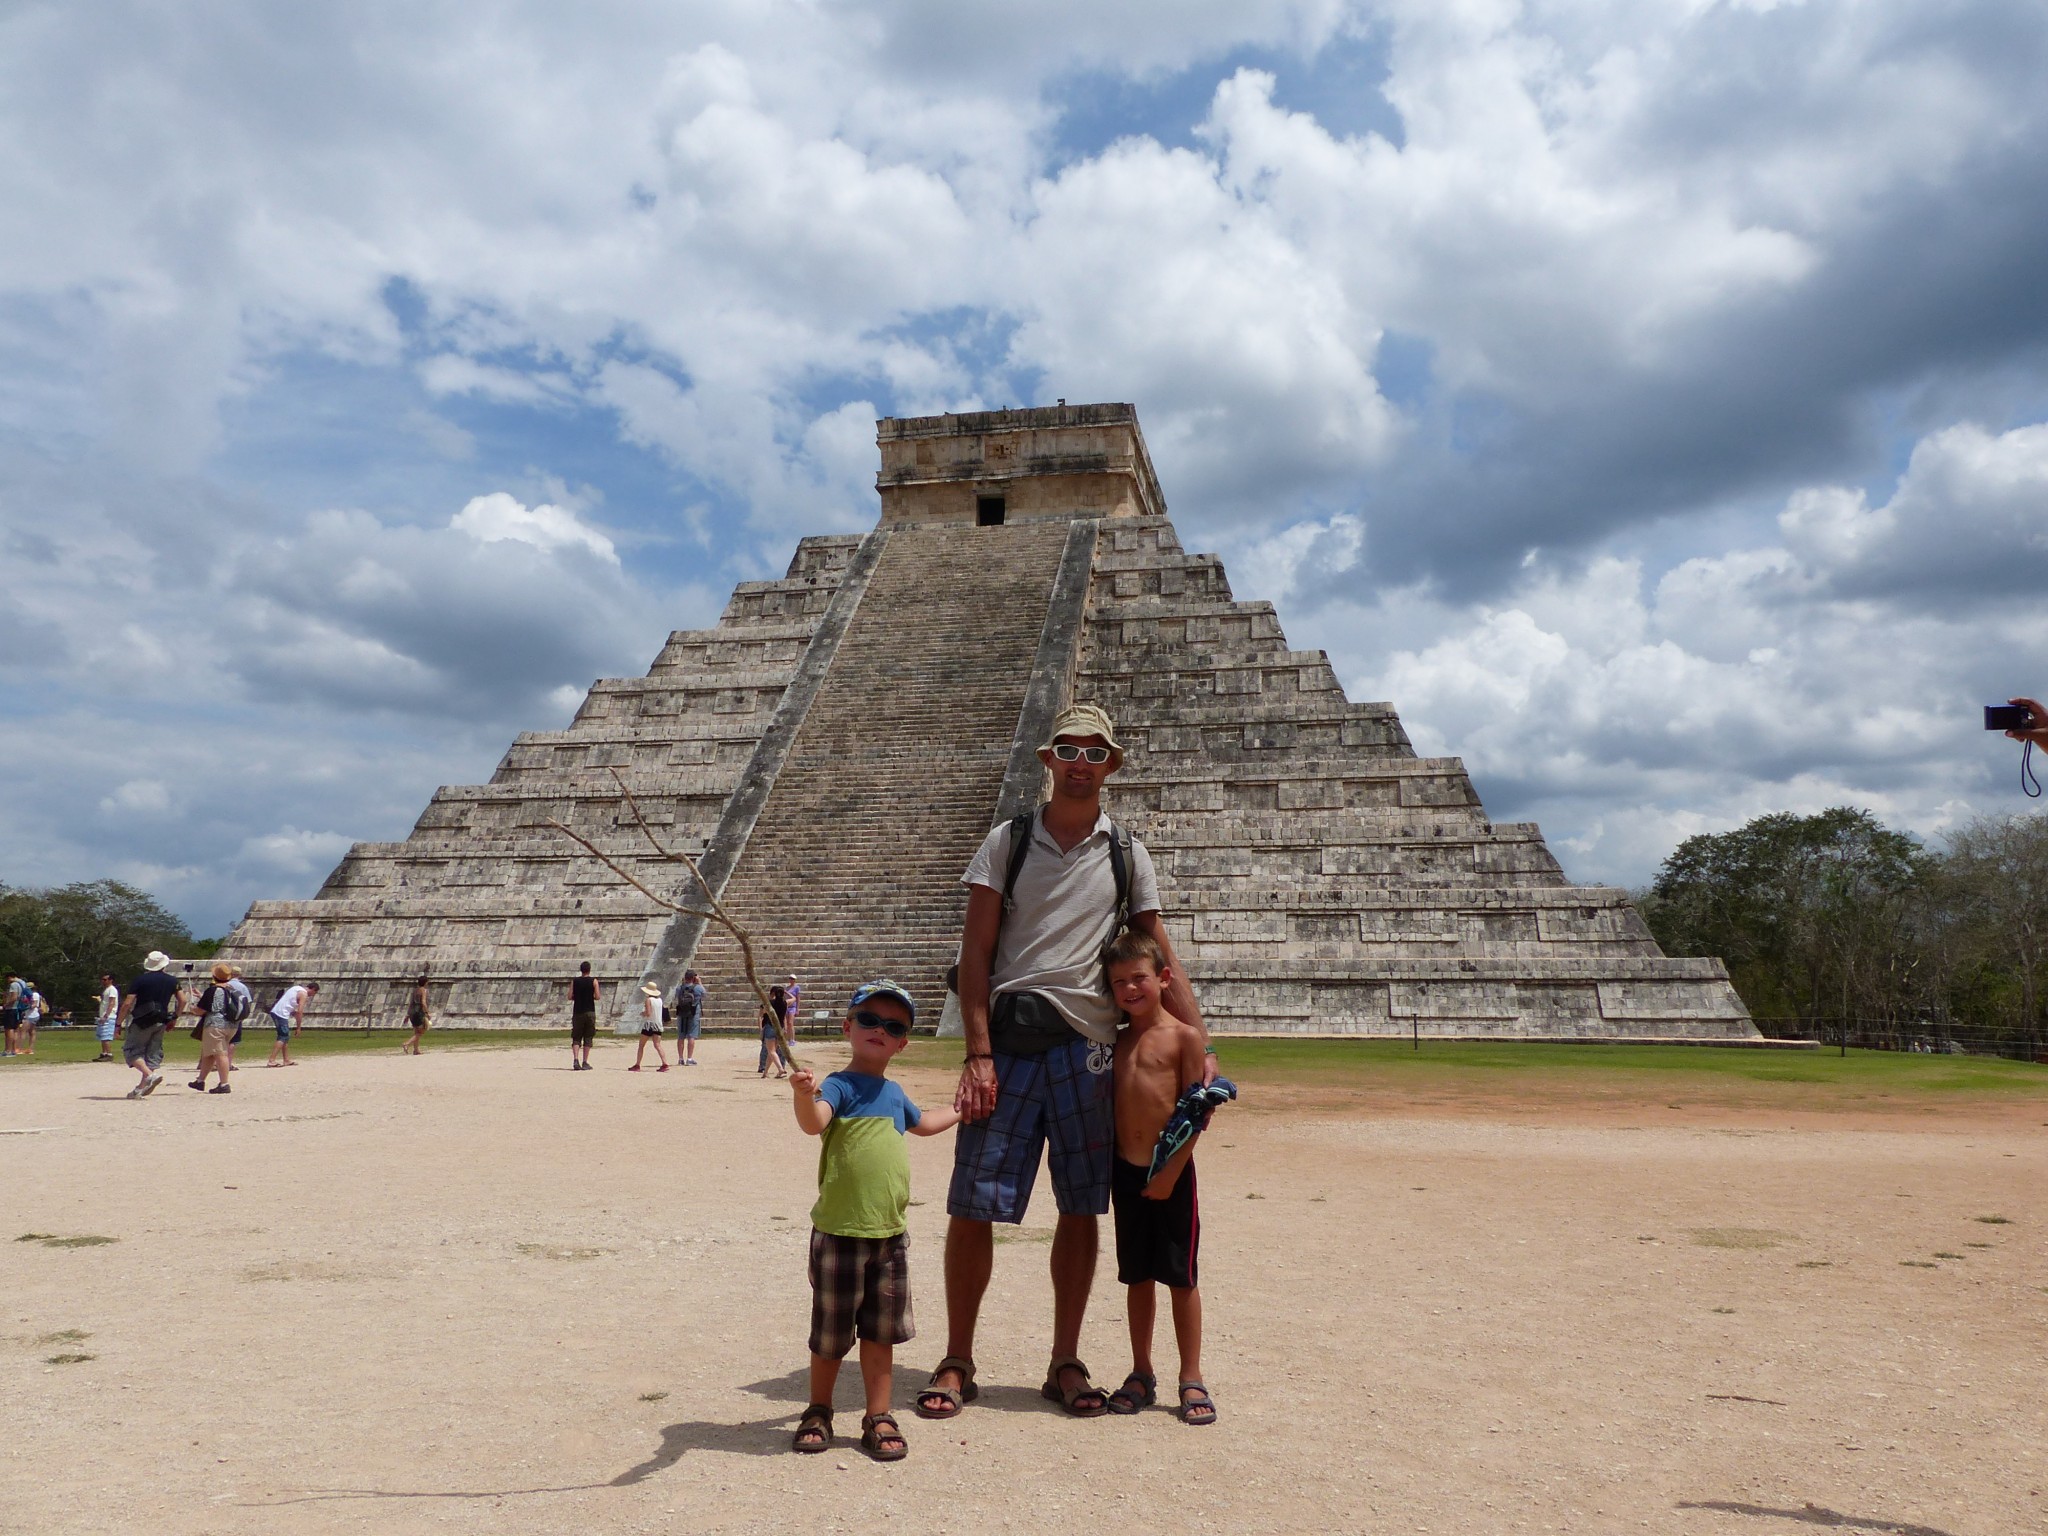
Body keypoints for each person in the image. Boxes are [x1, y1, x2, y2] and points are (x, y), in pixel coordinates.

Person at [919, 702, 1208, 1422]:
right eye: (1068, 750)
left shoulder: (1125, 851)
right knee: (972, 1204)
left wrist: (1203, 1046)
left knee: (1082, 1207)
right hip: (1010, 1049)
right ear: (1048, 760)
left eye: (1095, 752)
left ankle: (1065, 1359)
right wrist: (976, 1053)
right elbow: (976, 955)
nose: (1080, 763)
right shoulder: (1006, 842)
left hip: (1090, 1054)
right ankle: (958, 1356)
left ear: (1112, 765)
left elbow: (1160, 955)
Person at [786, 980, 960, 1462]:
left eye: (893, 1026)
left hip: (889, 1235)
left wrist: (961, 1108)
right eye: (868, 1020)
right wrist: (804, 1093)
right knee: (830, 1336)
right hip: (840, 1233)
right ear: (848, 1027)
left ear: (903, 1042)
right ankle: (818, 1409)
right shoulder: (839, 1086)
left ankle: (877, 1414)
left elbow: (923, 1123)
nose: (879, 1030)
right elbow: (813, 1122)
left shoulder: (894, 1092)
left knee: (881, 1334)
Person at [1100, 927, 1218, 1425]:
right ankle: (1141, 1370)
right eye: (1119, 981)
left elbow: (1196, 1111)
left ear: (1164, 978)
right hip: (1126, 1174)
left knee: (1181, 1276)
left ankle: (1190, 1375)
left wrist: (1170, 1172)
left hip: (1171, 1175)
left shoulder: (1184, 1037)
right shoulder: (1117, 1040)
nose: (1130, 989)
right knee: (1137, 1275)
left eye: (1140, 978)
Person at [119, 951, 184, 1099]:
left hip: (142, 1020)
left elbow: (128, 1003)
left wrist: (118, 1023)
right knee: (152, 1053)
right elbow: (183, 1000)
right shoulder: (172, 981)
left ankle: (149, 1075)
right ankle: (140, 1088)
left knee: (132, 1051)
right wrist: (174, 1017)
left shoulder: (140, 980)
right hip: (161, 1019)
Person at [189, 963, 251, 1095]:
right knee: (210, 1052)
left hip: (215, 1025)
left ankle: (224, 1083)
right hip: (232, 1025)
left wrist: (193, 1009)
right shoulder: (232, 989)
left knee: (220, 1053)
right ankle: (200, 1081)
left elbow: (201, 1010)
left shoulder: (213, 990)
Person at [265, 981, 318, 1066]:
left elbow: (288, 1002)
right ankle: (271, 1060)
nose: (313, 995)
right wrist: (298, 1027)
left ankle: (286, 1060)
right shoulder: (303, 994)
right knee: (283, 1036)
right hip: (281, 1014)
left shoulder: (296, 988)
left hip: (278, 1012)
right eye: (314, 993)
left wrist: (292, 1012)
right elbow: (300, 1011)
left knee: (285, 1036)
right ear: (313, 989)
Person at [630, 982, 672, 1071]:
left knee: (641, 1045)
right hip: (658, 1024)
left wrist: (643, 1013)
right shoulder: (660, 1000)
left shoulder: (648, 1000)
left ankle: (637, 1064)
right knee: (657, 1045)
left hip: (649, 1025)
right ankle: (665, 1063)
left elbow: (648, 1013)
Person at [569, 962, 599, 1070]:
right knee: (588, 1036)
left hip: (578, 1011)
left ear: (581, 970)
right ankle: (585, 1061)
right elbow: (598, 996)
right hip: (590, 1011)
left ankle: (576, 1060)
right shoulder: (594, 981)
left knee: (576, 1036)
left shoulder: (575, 981)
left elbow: (569, 996)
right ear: (589, 970)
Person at [672, 970, 705, 1066]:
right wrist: (699, 983)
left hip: (681, 1013)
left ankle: (680, 1058)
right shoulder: (698, 988)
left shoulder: (680, 988)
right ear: (693, 978)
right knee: (691, 1036)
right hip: (693, 1013)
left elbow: (676, 997)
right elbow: (704, 994)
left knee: (681, 1036)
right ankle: (689, 1058)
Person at [759, 985, 790, 1078]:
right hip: (780, 1027)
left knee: (771, 1051)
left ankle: (780, 1069)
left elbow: (762, 1012)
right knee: (772, 1052)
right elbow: (794, 998)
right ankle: (766, 1072)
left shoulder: (771, 1003)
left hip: (770, 1027)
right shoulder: (785, 1003)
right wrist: (786, 993)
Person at [402, 974, 431, 1055]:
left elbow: (411, 1003)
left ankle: (416, 1050)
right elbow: (423, 1002)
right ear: (425, 983)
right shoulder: (423, 990)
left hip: (412, 1012)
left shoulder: (415, 991)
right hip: (419, 1012)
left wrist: (407, 1015)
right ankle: (406, 1043)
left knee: (416, 1031)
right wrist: (427, 1012)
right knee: (421, 1031)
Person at [94, 973, 120, 1061]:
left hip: (109, 1016)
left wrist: (106, 1015)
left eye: (105, 980)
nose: (103, 981)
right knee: (102, 1035)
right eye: (102, 979)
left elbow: (112, 1002)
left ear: (110, 980)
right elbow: (105, 1003)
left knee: (106, 1036)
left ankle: (109, 1054)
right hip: (103, 1016)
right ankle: (104, 1053)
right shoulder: (106, 990)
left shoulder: (112, 990)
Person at [13, 980, 42, 1057]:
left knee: (23, 1031)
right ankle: (30, 1049)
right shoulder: (32, 994)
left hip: (31, 1015)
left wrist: (25, 1008)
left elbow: (34, 1004)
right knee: (32, 1032)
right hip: (32, 1014)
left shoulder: (34, 994)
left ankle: (19, 1048)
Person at [2, 970, 20, 1057]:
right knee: (15, 1029)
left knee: (9, 1029)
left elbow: (14, 997)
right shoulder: (19, 984)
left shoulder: (13, 985)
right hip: (16, 1009)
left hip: (11, 1009)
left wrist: (5, 1005)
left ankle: (8, 1050)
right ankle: (13, 1050)